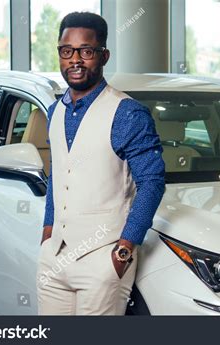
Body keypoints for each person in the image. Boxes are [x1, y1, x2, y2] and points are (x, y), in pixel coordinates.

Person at [36, 11, 165, 315]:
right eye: (67, 51)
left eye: (87, 51)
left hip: (102, 260)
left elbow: (152, 182)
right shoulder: (55, 111)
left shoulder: (127, 113)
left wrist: (124, 250)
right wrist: (47, 230)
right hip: (54, 257)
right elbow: (59, 173)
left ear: (103, 55)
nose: (75, 60)